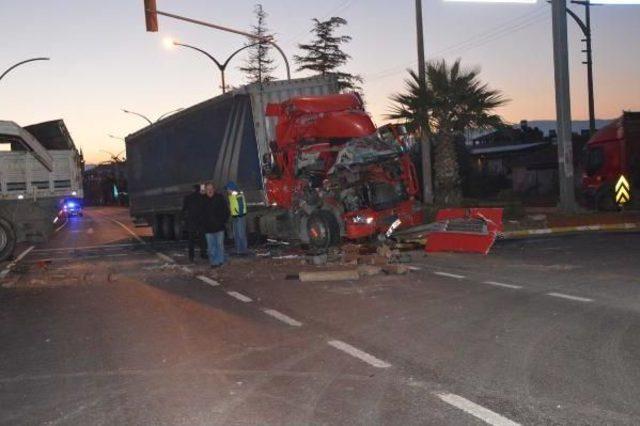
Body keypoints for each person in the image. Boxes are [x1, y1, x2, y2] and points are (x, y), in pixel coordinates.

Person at [202, 182, 229, 268]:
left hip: (219, 227)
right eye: (207, 189)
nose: (209, 191)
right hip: (208, 228)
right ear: (205, 190)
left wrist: (223, 221)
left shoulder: (219, 198)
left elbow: (226, 211)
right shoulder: (202, 200)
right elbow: (199, 214)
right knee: (211, 247)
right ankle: (213, 262)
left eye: (211, 189)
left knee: (219, 245)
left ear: (214, 189)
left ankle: (219, 261)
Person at [181, 184, 206, 262]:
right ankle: (203, 254)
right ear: (199, 190)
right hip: (201, 220)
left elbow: (184, 209)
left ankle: (191, 256)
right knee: (202, 238)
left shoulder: (188, 198)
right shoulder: (202, 197)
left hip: (191, 221)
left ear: (193, 189)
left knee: (191, 239)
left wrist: (183, 219)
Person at [226, 181, 249, 255]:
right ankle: (239, 250)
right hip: (235, 216)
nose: (227, 190)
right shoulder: (231, 195)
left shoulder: (237, 194)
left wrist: (239, 215)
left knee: (240, 234)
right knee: (236, 234)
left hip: (239, 217)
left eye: (228, 188)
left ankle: (243, 251)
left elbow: (241, 206)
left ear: (231, 188)